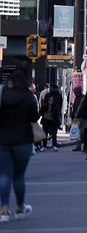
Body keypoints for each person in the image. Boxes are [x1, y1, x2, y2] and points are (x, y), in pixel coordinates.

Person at [0, 71, 39, 222]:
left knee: (4, 175)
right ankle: (20, 208)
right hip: (23, 141)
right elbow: (35, 118)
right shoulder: (28, 97)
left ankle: (4, 212)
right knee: (18, 176)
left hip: (2, 140)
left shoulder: (2, 96)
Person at [70, 86, 87, 153]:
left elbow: (81, 109)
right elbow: (74, 108)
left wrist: (77, 116)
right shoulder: (77, 98)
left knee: (82, 132)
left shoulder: (83, 98)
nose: (74, 93)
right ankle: (79, 146)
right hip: (77, 117)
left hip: (81, 117)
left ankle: (84, 146)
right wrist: (73, 116)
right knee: (78, 132)